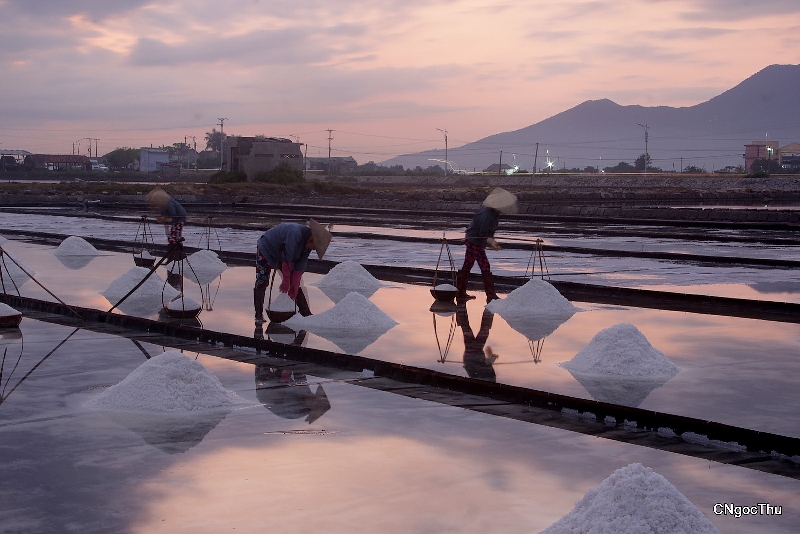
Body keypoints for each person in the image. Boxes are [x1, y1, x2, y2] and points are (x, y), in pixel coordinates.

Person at [254, 219, 332, 322]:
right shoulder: (294, 232)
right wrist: (286, 279)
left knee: (294, 283)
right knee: (262, 280)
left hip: (282, 254)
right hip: (267, 248)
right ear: (312, 239)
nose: (313, 250)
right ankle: (258, 315)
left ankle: (306, 313)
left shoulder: (306, 247)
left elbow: (300, 265)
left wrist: (294, 284)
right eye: (315, 247)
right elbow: (287, 256)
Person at [456, 188, 517, 302]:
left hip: (473, 239)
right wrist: (491, 242)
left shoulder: (493, 211)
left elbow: (489, 231)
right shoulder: (487, 214)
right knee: (485, 266)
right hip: (475, 240)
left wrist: (492, 240)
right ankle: (491, 295)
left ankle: (460, 292)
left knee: (467, 265)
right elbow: (482, 233)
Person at [456, 305, 498, 382]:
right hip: (470, 355)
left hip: (474, 353)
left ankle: (489, 310)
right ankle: (460, 309)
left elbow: (487, 365)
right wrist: (490, 356)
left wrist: (491, 356)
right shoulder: (487, 378)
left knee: (483, 330)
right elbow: (487, 364)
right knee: (466, 328)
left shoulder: (488, 378)